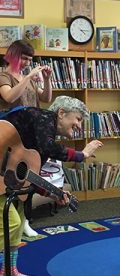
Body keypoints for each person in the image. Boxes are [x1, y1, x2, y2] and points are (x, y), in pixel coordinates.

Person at [0, 95, 103, 276]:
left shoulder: (40, 139)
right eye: (78, 119)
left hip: (5, 179)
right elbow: (48, 147)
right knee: (12, 223)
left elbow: (28, 174)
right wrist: (81, 155)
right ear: (61, 113)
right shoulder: (43, 118)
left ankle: (9, 269)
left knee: (20, 219)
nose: (80, 125)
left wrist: (52, 193)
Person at [0, 39, 53, 237]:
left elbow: (46, 99)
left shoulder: (27, 78)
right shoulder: (3, 76)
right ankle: (11, 219)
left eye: (29, 60)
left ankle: (25, 220)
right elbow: (9, 97)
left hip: (29, 134)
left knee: (29, 176)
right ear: (13, 55)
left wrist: (46, 79)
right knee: (10, 177)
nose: (27, 63)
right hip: (10, 136)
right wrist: (28, 76)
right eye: (23, 58)